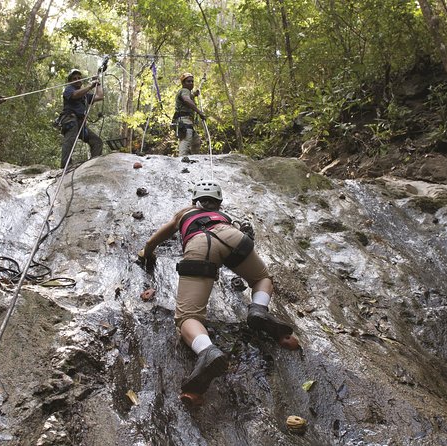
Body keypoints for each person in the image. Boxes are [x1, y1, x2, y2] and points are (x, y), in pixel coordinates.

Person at [138, 181, 294, 396]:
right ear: (219, 203)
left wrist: (147, 252)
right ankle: (258, 308)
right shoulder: (224, 216)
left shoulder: (184, 213)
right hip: (232, 236)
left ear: (195, 201)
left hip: (199, 245)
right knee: (261, 278)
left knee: (187, 317)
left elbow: (156, 238)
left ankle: (207, 351)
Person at [60, 68, 104, 168]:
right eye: (74, 78)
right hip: (70, 120)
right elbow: (75, 95)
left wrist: (98, 84)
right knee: (70, 141)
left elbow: (100, 96)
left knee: (97, 142)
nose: (77, 79)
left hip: (80, 124)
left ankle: (93, 165)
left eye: (79, 78)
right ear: (70, 81)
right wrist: (90, 86)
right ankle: (65, 166)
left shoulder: (85, 96)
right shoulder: (69, 89)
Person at [173, 72, 205, 157]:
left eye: (192, 81)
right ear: (183, 83)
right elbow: (186, 100)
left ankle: (194, 158)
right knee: (186, 139)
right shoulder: (184, 90)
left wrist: (194, 95)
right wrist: (199, 112)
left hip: (187, 120)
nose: (191, 83)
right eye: (188, 81)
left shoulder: (187, 92)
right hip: (184, 120)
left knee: (196, 141)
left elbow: (189, 97)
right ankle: (182, 158)